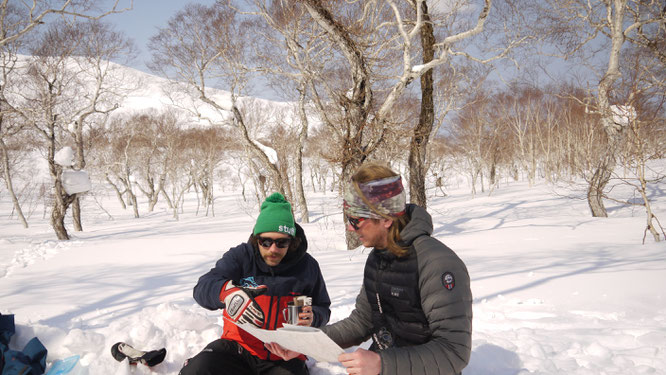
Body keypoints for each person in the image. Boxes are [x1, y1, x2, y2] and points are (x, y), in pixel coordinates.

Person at [268, 163, 473, 375]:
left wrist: (381, 364)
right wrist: (305, 344)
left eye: (355, 220)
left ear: (385, 218)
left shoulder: (437, 263)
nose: (350, 227)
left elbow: (454, 351)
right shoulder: (378, 258)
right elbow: (361, 322)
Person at [180, 192, 331, 375]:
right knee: (198, 369)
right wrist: (227, 293)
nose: (273, 249)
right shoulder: (241, 257)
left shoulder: (307, 266)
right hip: (238, 348)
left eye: (281, 242)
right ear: (256, 239)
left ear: (291, 242)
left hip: (284, 355)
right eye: (265, 241)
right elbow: (203, 287)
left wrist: (313, 316)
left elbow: (323, 306)